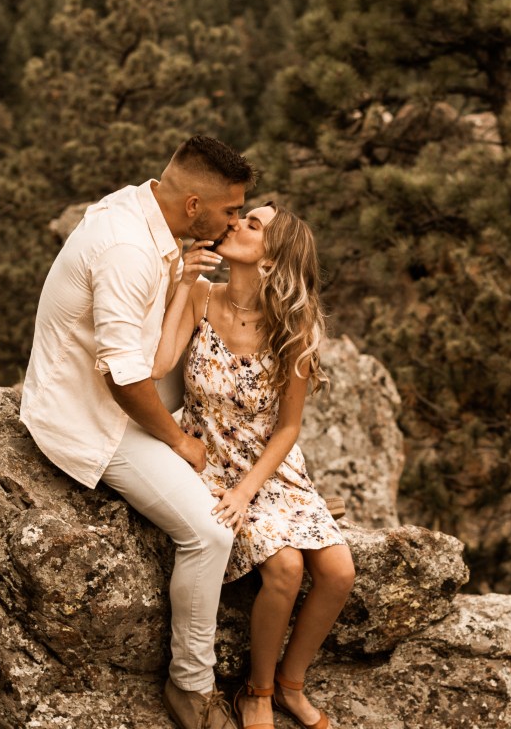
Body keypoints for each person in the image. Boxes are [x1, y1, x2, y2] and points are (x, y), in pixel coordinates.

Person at [20, 135, 253, 729]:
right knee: (209, 532)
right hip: (88, 417)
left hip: (120, 388)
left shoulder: (143, 208)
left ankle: (261, 467)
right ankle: (190, 687)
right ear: (195, 204)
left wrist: (182, 286)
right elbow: (123, 378)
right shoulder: (125, 245)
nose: (235, 221)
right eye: (231, 210)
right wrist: (178, 443)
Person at [152, 203, 355, 729]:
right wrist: (182, 283)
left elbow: (288, 429)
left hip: (270, 467)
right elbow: (157, 366)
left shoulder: (295, 323)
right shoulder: (202, 297)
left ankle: (291, 684)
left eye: (253, 224)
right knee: (286, 568)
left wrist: (248, 491)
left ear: (273, 255)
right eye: (241, 217)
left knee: (338, 572)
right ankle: (257, 693)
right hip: (210, 458)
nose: (236, 223)